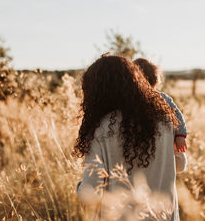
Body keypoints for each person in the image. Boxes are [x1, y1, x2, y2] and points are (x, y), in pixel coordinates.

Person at [75, 54, 187, 221]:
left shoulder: (101, 130)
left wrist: (79, 188)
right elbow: (180, 164)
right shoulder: (165, 120)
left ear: (98, 92)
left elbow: (90, 194)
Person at [133, 58, 188, 153]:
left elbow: (178, 115)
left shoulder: (163, 98)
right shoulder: (130, 98)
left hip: (161, 142)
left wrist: (180, 135)